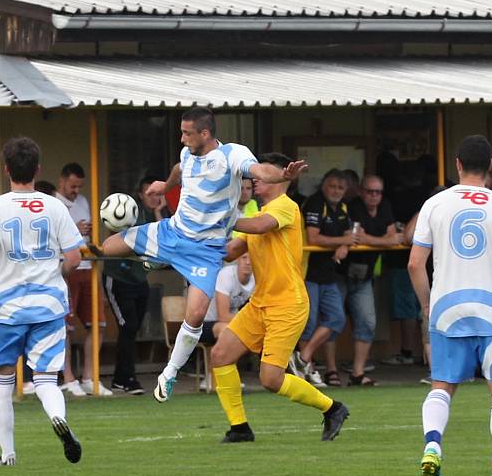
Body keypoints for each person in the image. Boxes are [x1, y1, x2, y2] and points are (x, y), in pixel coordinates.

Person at [100, 107, 306, 402]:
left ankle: (169, 373)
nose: (182, 138)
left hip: (205, 250)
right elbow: (178, 169)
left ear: (205, 133)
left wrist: (281, 175)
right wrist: (165, 185)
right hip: (173, 232)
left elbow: (259, 171)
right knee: (107, 248)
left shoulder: (232, 155)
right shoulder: (187, 155)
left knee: (195, 315)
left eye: (187, 133)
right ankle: (150, 259)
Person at [408, 135, 492, 476]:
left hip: (447, 306)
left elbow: (415, 264)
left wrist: (426, 306)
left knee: (442, 384)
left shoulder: (434, 204)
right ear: (491, 166)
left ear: (457, 164)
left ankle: (432, 446)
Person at [209, 153, 349, 443]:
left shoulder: (286, 207)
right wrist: (186, 250)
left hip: (288, 304)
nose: (255, 177)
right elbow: (231, 251)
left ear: (278, 177)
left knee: (270, 379)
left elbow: (258, 227)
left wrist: (221, 216)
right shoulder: (256, 214)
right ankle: (240, 428)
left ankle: (332, 408)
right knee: (220, 355)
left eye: (262, 172)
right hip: (260, 303)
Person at [0, 136, 84, 465]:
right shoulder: (55, 206)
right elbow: (74, 257)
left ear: (6, 170)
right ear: (38, 170)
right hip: (48, 305)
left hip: (6, 306)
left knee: (3, 380)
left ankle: (8, 453)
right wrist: (56, 273)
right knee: (45, 378)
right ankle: (58, 418)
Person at [102, 176, 169, 395]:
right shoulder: (130, 211)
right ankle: (127, 379)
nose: (154, 197)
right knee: (128, 326)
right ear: (140, 195)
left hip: (140, 279)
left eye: (157, 193)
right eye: (149, 193)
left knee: (133, 327)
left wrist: (160, 211)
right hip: (118, 277)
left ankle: (120, 379)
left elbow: (164, 238)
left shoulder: (158, 215)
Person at [334, 175, 402, 386]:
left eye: (378, 192)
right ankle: (329, 371)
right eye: (370, 191)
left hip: (365, 275)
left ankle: (357, 373)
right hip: (339, 273)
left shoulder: (385, 207)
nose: (374, 196)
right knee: (333, 321)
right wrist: (383, 240)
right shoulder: (353, 207)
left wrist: (372, 240)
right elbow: (356, 237)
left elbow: (394, 239)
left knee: (367, 322)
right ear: (362, 192)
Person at [293, 169, 355, 387]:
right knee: (307, 324)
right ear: (323, 186)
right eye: (332, 186)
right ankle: (307, 371)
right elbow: (313, 236)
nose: (336, 191)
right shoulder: (315, 202)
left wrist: (345, 245)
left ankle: (304, 358)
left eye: (341, 187)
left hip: (329, 273)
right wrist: (343, 241)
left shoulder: (343, 207)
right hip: (307, 271)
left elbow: (351, 236)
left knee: (337, 318)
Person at [56, 162, 113, 396]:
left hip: (88, 266)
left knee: (98, 324)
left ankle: (90, 376)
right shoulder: (54, 203)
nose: (76, 191)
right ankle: (68, 378)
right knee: (65, 327)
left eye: (79, 186)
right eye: (72, 186)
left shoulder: (83, 202)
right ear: (62, 181)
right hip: (67, 267)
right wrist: (75, 230)